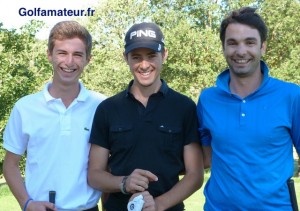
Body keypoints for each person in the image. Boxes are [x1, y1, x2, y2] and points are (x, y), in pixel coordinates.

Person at [88, 22, 204, 211]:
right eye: (136, 57)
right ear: (126, 58)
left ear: (164, 54)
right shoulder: (107, 109)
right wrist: (124, 182)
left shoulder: (184, 107)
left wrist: (158, 205)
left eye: (151, 56)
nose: (144, 65)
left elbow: (195, 175)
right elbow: (94, 174)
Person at [197, 7, 300, 210]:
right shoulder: (207, 99)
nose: (241, 51)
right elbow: (207, 157)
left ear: (263, 47)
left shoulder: (291, 96)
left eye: (250, 42)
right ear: (224, 48)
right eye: (232, 43)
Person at [3, 21, 106, 211]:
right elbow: (10, 165)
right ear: (49, 55)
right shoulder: (24, 108)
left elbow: (108, 166)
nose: (69, 62)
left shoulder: (102, 106)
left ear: (88, 59)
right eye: (62, 53)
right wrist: (26, 203)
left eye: (77, 54)